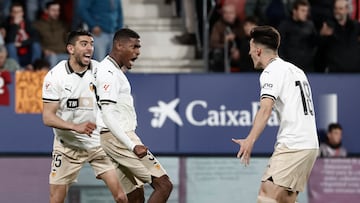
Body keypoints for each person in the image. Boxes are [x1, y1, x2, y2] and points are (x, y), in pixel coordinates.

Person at [232, 26, 319, 203]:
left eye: (250, 48)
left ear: (258, 50)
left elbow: (265, 109)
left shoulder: (271, 72)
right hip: (310, 145)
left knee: (266, 195)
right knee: (284, 200)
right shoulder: (295, 70)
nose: (249, 53)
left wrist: (250, 140)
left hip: (293, 144)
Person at [41, 30, 127, 203]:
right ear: (71, 49)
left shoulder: (100, 72)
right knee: (56, 200)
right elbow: (48, 117)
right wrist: (75, 127)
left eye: (92, 44)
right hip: (67, 147)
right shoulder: (55, 76)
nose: (90, 48)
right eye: (84, 44)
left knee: (121, 197)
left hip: (97, 145)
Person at [95, 28, 173, 203]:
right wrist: (132, 145)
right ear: (119, 45)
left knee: (135, 198)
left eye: (139, 47)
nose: (138, 52)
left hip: (110, 139)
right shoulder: (108, 73)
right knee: (164, 185)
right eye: (134, 46)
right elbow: (107, 114)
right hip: (118, 138)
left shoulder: (111, 70)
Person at [315, 0, 360, 72]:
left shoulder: (356, 26)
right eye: (335, 8)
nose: (337, 11)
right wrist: (321, 35)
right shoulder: (328, 26)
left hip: (355, 73)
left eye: (340, 8)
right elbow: (317, 47)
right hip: (334, 73)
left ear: (347, 10)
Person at [278, 0, 318, 72]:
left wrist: (322, 35)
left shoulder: (310, 25)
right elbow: (280, 47)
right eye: (303, 10)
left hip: (307, 68)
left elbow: (315, 44)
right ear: (294, 11)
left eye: (306, 11)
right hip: (290, 68)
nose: (305, 13)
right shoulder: (285, 26)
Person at [1, 2, 42, 68]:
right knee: (10, 45)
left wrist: (22, 43)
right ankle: (16, 68)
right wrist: (15, 25)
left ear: (22, 13)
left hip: (28, 52)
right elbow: (9, 40)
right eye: (15, 12)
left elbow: (36, 38)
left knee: (36, 44)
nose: (17, 14)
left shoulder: (28, 22)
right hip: (14, 54)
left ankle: (34, 67)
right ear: (11, 13)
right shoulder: (6, 24)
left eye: (19, 12)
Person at [33, 1, 68, 68]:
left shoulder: (62, 24)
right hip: (49, 54)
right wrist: (44, 50)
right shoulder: (38, 25)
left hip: (63, 53)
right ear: (46, 11)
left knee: (76, 59)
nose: (56, 13)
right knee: (53, 58)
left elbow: (68, 40)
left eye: (58, 10)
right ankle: (52, 78)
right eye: (53, 10)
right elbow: (35, 42)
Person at [209, 3, 243, 72]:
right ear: (222, 14)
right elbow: (213, 43)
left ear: (235, 14)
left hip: (240, 52)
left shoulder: (241, 25)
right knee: (217, 53)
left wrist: (239, 50)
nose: (228, 15)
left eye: (231, 13)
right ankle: (220, 78)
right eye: (226, 13)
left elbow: (246, 39)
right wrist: (225, 43)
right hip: (224, 52)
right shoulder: (218, 25)